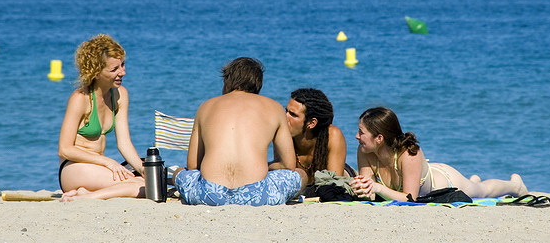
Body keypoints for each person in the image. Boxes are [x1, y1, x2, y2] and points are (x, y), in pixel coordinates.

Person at [174, 57, 306, 206]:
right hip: (257, 197)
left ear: (227, 81)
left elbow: (192, 165)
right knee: (300, 174)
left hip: (209, 195)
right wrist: (263, 165)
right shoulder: (274, 107)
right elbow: (288, 165)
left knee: (179, 172)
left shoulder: (206, 106)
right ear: (258, 84)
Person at [350, 107, 528, 201]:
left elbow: (409, 198)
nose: (357, 136)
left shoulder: (408, 153)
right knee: (475, 186)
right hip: (422, 173)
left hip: (446, 181)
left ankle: (515, 186)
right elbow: (370, 193)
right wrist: (364, 189)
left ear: (379, 138)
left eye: (361, 132)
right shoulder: (366, 150)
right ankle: (473, 180)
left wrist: (378, 188)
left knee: (481, 192)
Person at [58, 34, 145, 201]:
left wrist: (142, 169)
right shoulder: (80, 99)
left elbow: (124, 144)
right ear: (96, 73)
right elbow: (65, 149)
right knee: (139, 187)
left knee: (149, 181)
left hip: (99, 167)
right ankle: (83, 199)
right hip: (73, 168)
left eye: (123, 65)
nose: (123, 72)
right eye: (114, 69)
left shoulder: (120, 95)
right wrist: (107, 162)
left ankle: (87, 194)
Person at [285, 88, 349, 184]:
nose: (285, 117)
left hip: (341, 180)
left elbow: (334, 184)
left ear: (311, 123)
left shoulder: (332, 135)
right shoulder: (283, 136)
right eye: (286, 111)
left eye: (293, 115)